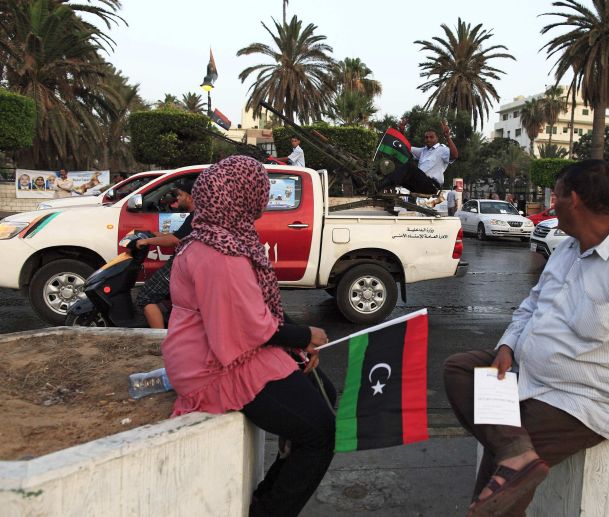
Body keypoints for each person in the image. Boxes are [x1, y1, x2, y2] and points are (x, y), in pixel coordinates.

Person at [443, 160, 609, 516]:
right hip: (528, 377)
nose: (551, 203)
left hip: (580, 400)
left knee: (495, 489)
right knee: (460, 369)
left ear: (572, 199)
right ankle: (517, 453)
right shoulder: (566, 250)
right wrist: (508, 345)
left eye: (555, 195)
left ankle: (513, 456)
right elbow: (532, 304)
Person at [160, 156, 336, 517]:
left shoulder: (222, 236)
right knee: (319, 432)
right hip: (214, 364)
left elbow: (256, 308)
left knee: (323, 391)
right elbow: (245, 328)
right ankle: (270, 508)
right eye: (260, 190)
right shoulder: (218, 252)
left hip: (231, 346)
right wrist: (303, 335)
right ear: (242, 196)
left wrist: (297, 344)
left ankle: (267, 496)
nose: (264, 198)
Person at [135, 178, 196, 329]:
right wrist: (155, 235)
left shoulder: (195, 216)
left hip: (183, 265)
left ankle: (159, 341)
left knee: (145, 297)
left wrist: (147, 242)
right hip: (189, 263)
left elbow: (175, 240)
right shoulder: (196, 215)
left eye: (180, 195)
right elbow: (179, 235)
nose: (178, 199)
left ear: (190, 197)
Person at [377, 121, 458, 195]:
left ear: (437, 138)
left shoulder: (442, 149)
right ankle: (382, 187)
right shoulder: (423, 151)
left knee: (410, 167)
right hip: (419, 184)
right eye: (426, 137)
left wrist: (448, 137)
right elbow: (405, 147)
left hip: (432, 185)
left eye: (431, 137)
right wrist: (401, 131)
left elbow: (455, 155)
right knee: (401, 174)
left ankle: (379, 185)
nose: (428, 139)